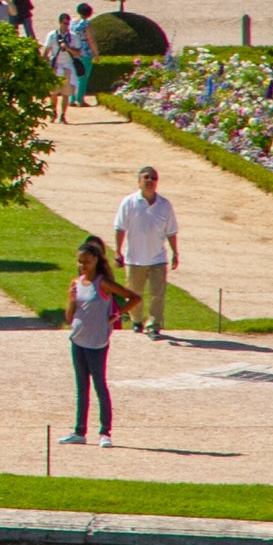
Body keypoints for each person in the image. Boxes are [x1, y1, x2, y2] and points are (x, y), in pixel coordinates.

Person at [63, 238, 137, 447]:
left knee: (99, 385)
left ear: (95, 260)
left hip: (97, 342)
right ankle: (79, 430)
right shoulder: (75, 284)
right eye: (79, 262)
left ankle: (105, 432)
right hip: (77, 340)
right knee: (81, 387)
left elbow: (133, 298)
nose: (82, 266)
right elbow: (69, 317)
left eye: (85, 261)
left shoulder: (102, 283)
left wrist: (116, 315)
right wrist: (70, 299)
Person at [115, 166, 179, 339]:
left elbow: (171, 231)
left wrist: (175, 252)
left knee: (158, 294)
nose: (150, 181)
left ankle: (153, 325)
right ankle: (136, 321)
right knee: (134, 293)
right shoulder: (128, 202)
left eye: (154, 178)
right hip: (134, 259)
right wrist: (117, 252)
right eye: (146, 177)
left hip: (158, 258)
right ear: (139, 181)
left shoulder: (164, 205)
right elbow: (120, 228)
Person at [41, 14, 79, 122]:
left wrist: (68, 49)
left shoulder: (73, 36)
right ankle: (53, 112)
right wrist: (46, 65)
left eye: (68, 23)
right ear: (60, 23)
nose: (66, 26)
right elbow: (46, 51)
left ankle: (63, 115)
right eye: (64, 23)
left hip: (68, 67)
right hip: (56, 66)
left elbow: (78, 52)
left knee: (65, 94)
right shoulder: (52, 35)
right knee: (53, 93)